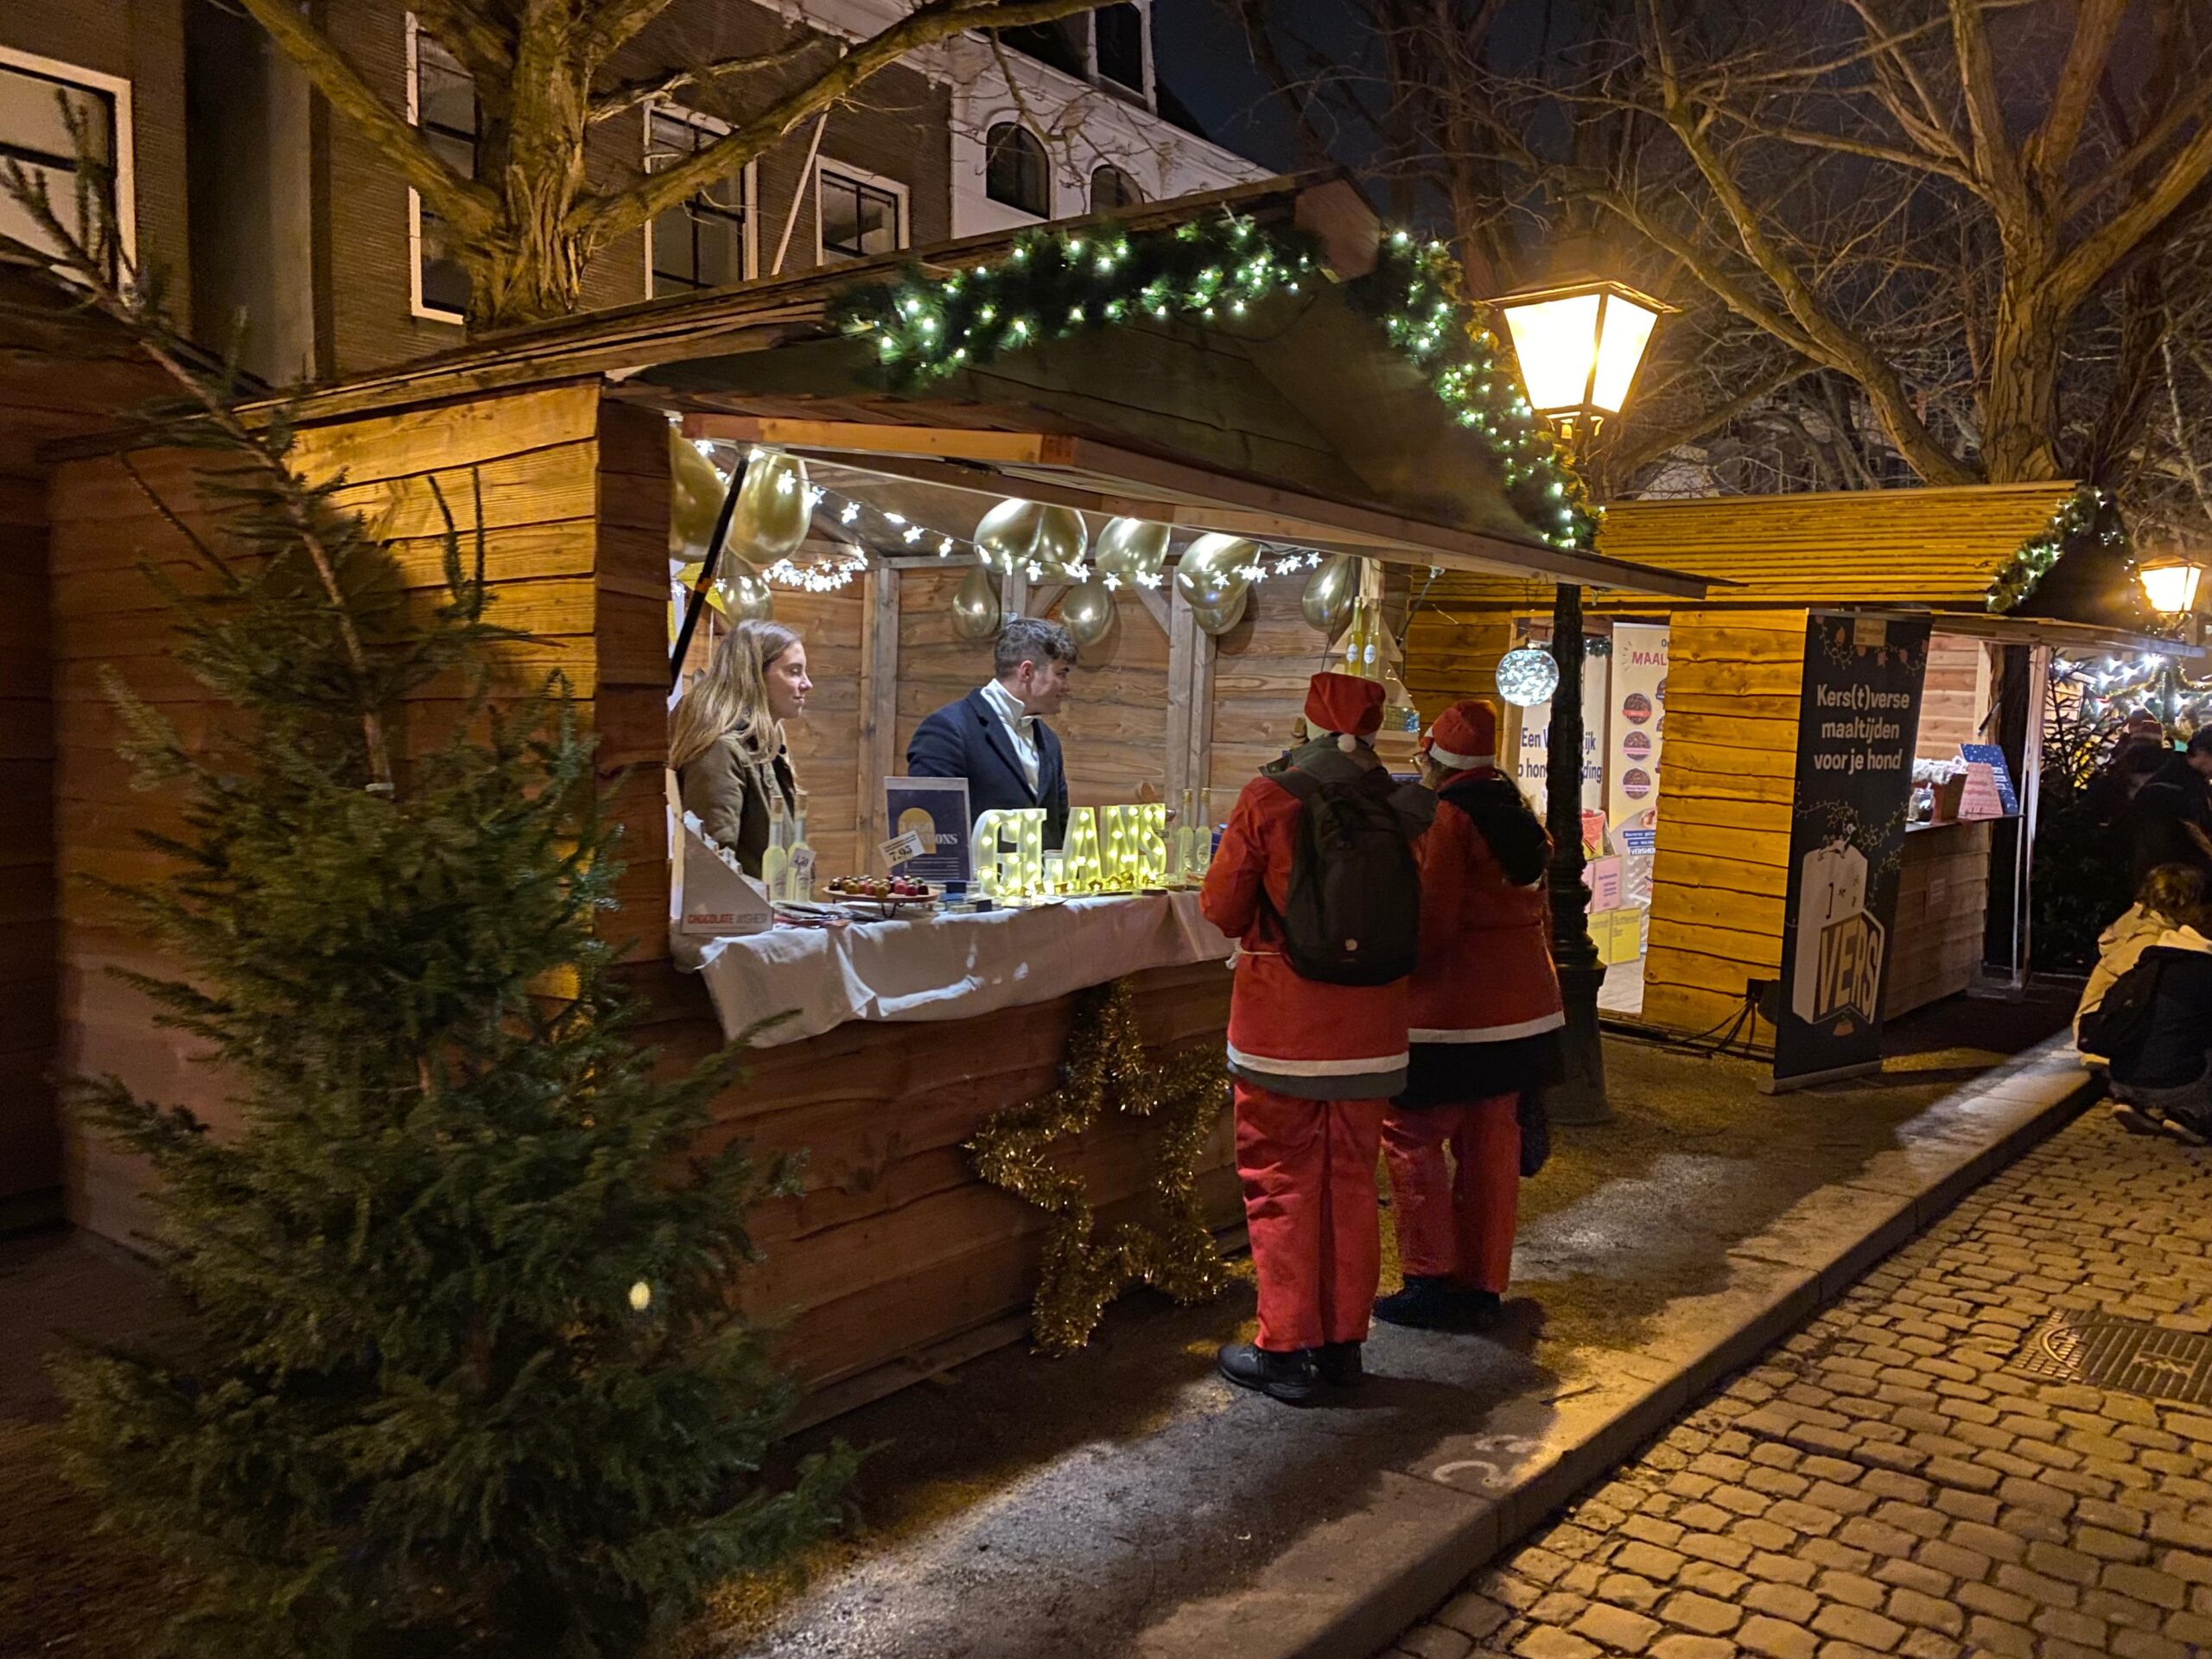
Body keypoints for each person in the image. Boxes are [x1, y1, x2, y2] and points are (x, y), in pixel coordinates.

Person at [1200, 672, 1433, 1404]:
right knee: (1351, 1186)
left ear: (1306, 725)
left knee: (1280, 1184)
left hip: (1284, 1028)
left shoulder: (1269, 798)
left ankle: (1285, 1350)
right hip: (1374, 1031)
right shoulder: (1410, 809)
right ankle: (1342, 1348)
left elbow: (1221, 907)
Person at [1375, 700, 1562, 1333]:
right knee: (1491, 1144)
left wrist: (1391, 970)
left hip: (1452, 1015)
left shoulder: (1449, 817)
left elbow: (1432, 917)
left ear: (1433, 757)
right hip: (1525, 1011)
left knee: (1413, 1135)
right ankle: (1482, 1283)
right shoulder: (1523, 815)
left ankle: (1428, 1277)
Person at [906, 616, 1075, 849]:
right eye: (1061, 673)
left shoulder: (1048, 740)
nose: (1067, 687)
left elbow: (1059, 828)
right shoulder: (948, 730)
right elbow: (931, 832)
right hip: (974, 885)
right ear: (1027, 672)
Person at [669, 619, 810, 878]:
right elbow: (713, 864)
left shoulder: (764, 749)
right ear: (755, 675)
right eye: (793, 671)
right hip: (743, 916)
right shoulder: (719, 751)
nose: (806, 683)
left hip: (774, 914)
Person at [2090, 908, 2212, 1146]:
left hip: (2120, 1075)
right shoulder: (2206, 971)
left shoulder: (2148, 963)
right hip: (2177, 1083)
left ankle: (2129, 1099)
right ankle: (2192, 1115)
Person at [2075, 863, 2206, 1047]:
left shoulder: (2137, 926)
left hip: (2106, 1034)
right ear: (2181, 902)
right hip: (2111, 1044)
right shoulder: (2152, 942)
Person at [2122, 725, 2212, 887]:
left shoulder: (2199, 787)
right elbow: (2163, 849)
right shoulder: (2162, 792)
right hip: (2171, 889)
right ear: (2202, 752)